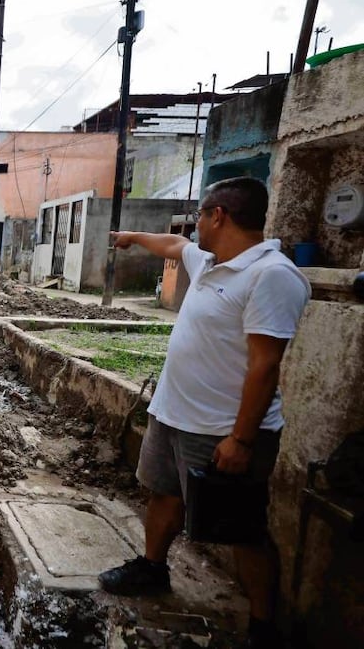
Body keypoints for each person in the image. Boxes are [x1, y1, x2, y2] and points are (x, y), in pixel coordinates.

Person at [97, 177, 310, 649]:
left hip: (222, 431)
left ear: (219, 215)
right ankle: (152, 567)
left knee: (242, 530)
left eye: (200, 215)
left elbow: (265, 365)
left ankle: (263, 625)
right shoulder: (211, 261)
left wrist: (242, 440)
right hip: (174, 415)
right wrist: (132, 237)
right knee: (164, 495)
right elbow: (174, 245)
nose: (195, 226)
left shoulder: (271, 276)